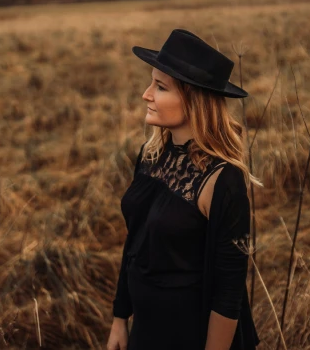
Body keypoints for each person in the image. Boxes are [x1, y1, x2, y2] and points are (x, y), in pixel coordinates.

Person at [107, 29, 261, 350]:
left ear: (194, 100)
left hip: (188, 336)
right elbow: (134, 242)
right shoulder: (150, 156)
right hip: (144, 331)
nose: (146, 95)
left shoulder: (223, 180)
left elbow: (227, 294)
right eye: (151, 83)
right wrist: (120, 318)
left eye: (160, 87)